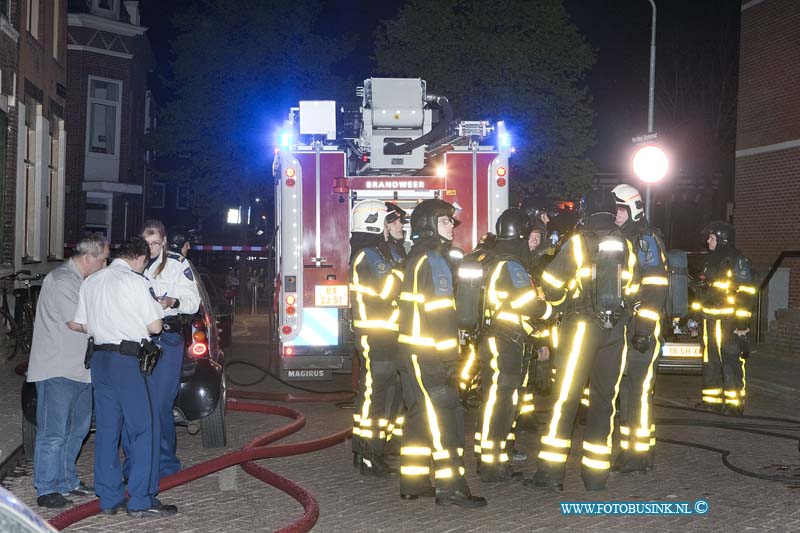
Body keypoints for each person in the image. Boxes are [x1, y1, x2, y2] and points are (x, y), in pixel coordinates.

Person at [526, 189, 639, 492]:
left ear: (587, 212)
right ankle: (595, 476)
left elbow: (551, 287)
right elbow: (634, 290)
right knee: (604, 401)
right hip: (615, 331)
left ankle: (550, 473)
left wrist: (560, 301)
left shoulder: (576, 244)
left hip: (581, 329)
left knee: (565, 399)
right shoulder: (626, 245)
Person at [70, 237, 176, 517]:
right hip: (127, 361)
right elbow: (154, 328)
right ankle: (141, 499)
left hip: (99, 360)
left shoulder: (91, 281)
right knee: (143, 428)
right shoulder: (136, 282)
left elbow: (84, 324)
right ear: (140, 259)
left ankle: (108, 498)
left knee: (107, 431)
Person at [396, 198, 486, 508]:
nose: (452, 226)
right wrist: (451, 359)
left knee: (420, 416)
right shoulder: (433, 260)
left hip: (412, 350)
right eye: (446, 221)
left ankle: (414, 480)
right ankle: (452, 488)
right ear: (429, 225)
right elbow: (440, 313)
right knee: (445, 419)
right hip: (429, 353)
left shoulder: (418, 257)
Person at [27, 234, 109, 509]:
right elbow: (77, 322)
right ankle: (46, 487)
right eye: (102, 260)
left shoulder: (82, 281)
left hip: (81, 370)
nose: (104, 264)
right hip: (58, 369)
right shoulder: (62, 280)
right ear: (89, 258)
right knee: (54, 432)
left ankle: (66, 481)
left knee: (78, 430)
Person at [475, 208, 552, 482]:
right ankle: (490, 465)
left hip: (501, 338)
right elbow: (526, 304)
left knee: (500, 402)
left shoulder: (498, 258)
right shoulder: (512, 265)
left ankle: (494, 461)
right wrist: (550, 311)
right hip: (504, 340)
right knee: (500, 403)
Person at [611, 184, 669, 472]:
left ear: (632, 209)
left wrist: (644, 327)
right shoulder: (623, 239)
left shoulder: (646, 240)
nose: (616, 216)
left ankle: (639, 455)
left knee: (639, 391)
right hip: (625, 327)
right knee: (626, 392)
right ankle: (628, 451)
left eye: (619, 210)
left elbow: (656, 286)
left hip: (641, 328)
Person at [141, 220, 201, 478]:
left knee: (161, 404)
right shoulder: (135, 264)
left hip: (167, 339)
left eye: (156, 243)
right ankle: (138, 461)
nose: (152, 248)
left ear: (164, 241)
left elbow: (193, 302)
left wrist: (173, 300)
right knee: (140, 403)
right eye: (147, 243)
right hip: (139, 338)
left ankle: (165, 463)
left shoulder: (178, 265)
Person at [348, 200, 403, 476]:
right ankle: (367, 454)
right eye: (387, 222)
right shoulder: (366, 256)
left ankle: (372, 448)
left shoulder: (378, 253)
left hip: (387, 334)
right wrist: (402, 273)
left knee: (383, 396)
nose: (392, 227)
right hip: (375, 335)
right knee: (373, 396)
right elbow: (386, 291)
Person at [692, 221, 755, 416]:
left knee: (731, 361)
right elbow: (700, 292)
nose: (708, 240)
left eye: (711, 237)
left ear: (722, 238)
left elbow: (746, 292)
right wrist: (695, 318)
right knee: (710, 361)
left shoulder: (737, 260)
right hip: (708, 321)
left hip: (729, 322)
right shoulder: (709, 261)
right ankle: (712, 402)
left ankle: (734, 405)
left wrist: (742, 323)